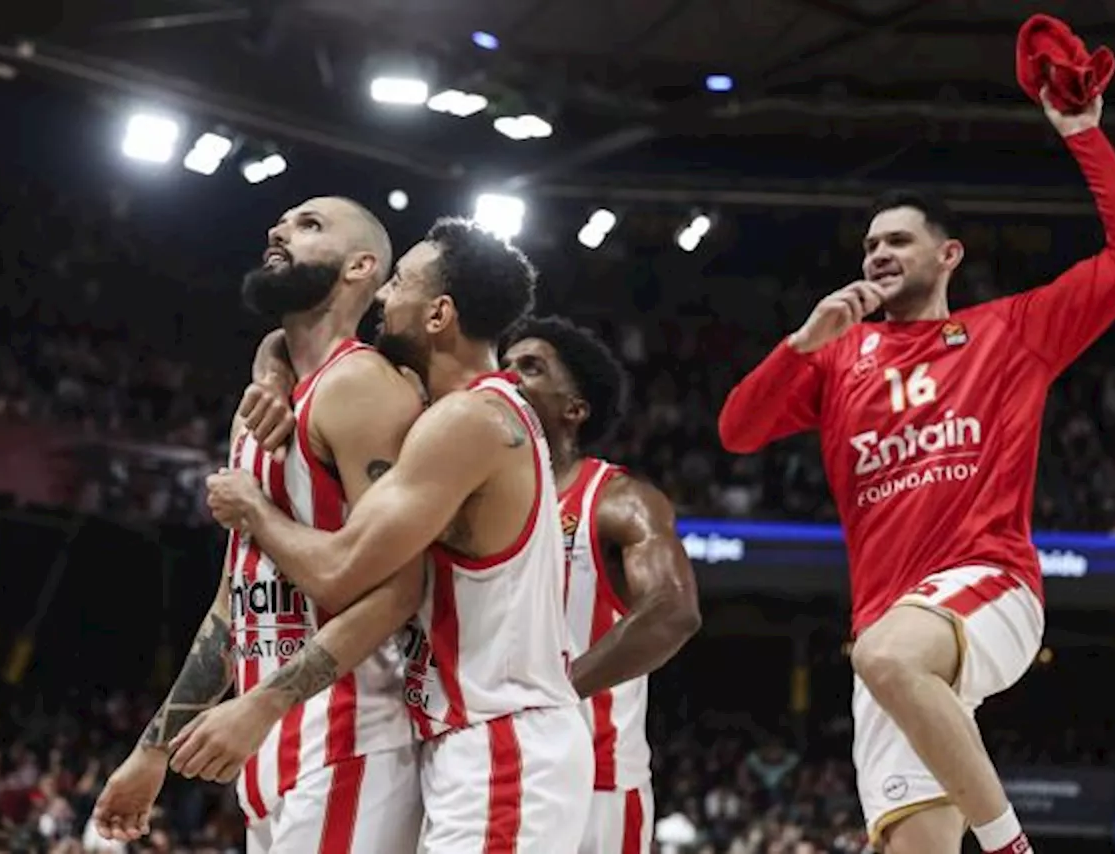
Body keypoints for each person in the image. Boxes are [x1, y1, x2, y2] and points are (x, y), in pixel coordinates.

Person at [718, 89, 1115, 854]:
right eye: (871, 244)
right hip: (891, 634)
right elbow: (738, 430)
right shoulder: (837, 358)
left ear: (948, 255)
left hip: (989, 584)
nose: (878, 254)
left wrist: (1082, 133)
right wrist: (804, 341)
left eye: (900, 241)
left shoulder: (1009, 331)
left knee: (883, 654)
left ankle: (1013, 846)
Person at [182, 218, 594, 852]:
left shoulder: (469, 420)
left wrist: (253, 509)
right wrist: (272, 372)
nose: (382, 297)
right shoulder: (467, 410)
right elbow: (282, 341)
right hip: (478, 738)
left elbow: (342, 572)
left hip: (502, 739)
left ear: (439, 315)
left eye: (399, 283)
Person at [93, 197, 429, 854]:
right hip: (274, 749)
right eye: (280, 221)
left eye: (309, 225)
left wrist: (260, 705)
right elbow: (234, 605)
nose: (278, 229)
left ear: (361, 267)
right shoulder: (260, 407)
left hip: (354, 740)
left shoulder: (362, 386)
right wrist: (154, 750)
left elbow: (398, 590)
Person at [501, 315, 702, 854]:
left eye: (531, 367)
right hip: (488, 770)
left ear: (575, 409)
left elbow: (672, 610)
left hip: (595, 783)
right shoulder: (479, 500)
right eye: (504, 367)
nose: (509, 378)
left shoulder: (616, 499)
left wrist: (554, 691)